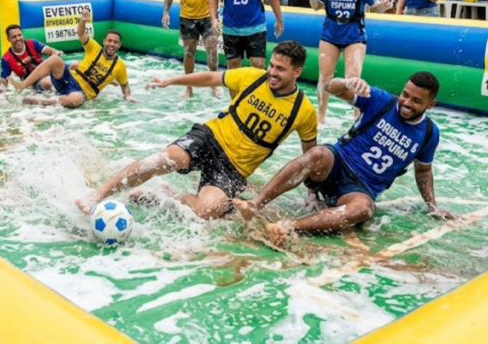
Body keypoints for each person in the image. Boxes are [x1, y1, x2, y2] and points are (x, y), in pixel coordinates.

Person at [75, 41, 318, 219]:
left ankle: (164, 195)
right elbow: (211, 78)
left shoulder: (303, 111)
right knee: (164, 159)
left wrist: (312, 192)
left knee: (206, 211)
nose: (273, 73)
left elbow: (310, 156)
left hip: (235, 168)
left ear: (297, 72)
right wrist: (172, 80)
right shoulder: (253, 77)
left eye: (281, 69)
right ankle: (97, 195)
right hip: (211, 137)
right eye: (272, 65)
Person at [233, 73, 453, 241]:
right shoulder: (381, 100)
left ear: (430, 105)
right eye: (405, 94)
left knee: (364, 210)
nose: (406, 103)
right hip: (337, 163)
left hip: (360, 189)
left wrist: (432, 206)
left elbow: (423, 171)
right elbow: (331, 87)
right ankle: (255, 204)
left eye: (416, 101)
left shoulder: (429, 134)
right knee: (318, 153)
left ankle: (288, 227)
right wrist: (347, 82)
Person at [308, 0, 390, 126]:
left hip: (355, 36)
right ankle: (320, 118)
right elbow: (315, 6)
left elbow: (377, 9)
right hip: (330, 34)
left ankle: (357, 118)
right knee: (325, 77)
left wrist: (384, 6)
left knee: (353, 79)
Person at [9, 10, 132, 108]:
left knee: (76, 99)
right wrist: (83, 21)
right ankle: (23, 85)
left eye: (115, 42)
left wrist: (128, 97)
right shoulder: (94, 48)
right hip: (70, 78)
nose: (111, 44)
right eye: (109, 41)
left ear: (119, 45)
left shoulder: (119, 66)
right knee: (53, 61)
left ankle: (43, 101)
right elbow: (81, 33)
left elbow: (125, 86)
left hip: (82, 91)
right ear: (104, 41)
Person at [0, 24, 60, 92]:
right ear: (8, 39)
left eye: (19, 35)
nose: (18, 39)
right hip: (35, 85)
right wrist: (0, 96)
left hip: (49, 75)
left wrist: (56, 52)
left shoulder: (33, 43)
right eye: (14, 37)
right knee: (46, 82)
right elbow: (3, 81)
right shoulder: (6, 59)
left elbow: (50, 51)